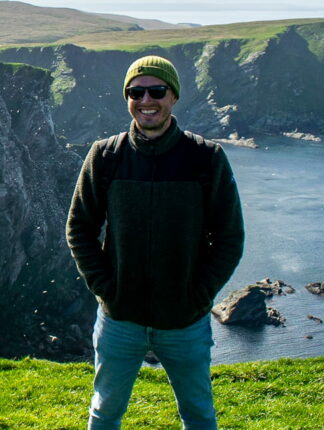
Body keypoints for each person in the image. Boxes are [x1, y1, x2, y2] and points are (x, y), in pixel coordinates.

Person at [66, 55, 245, 430]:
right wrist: (106, 289)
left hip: (184, 320)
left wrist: (198, 295)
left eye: (156, 91)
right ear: (127, 98)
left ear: (173, 96)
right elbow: (80, 228)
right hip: (120, 319)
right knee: (104, 412)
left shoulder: (205, 158)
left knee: (198, 414)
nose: (146, 100)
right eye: (136, 92)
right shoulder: (106, 156)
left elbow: (229, 237)